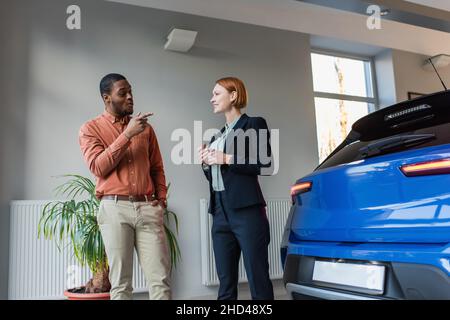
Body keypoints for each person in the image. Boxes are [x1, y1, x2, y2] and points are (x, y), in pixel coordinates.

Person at [79, 73, 171, 300]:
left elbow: (157, 167)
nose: (130, 97)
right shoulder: (90, 129)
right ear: (106, 98)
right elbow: (98, 167)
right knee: (121, 283)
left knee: (160, 280)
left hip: (148, 209)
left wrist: (161, 199)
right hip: (114, 210)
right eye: (123, 93)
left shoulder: (146, 130)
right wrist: (127, 134)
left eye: (131, 91)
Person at [198, 76, 274, 300]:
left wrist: (226, 158)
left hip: (247, 212)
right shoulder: (217, 136)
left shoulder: (253, 124)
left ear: (233, 96)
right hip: (220, 212)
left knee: (257, 278)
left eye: (216, 94)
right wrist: (205, 162)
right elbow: (217, 177)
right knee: (226, 282)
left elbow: (265, 163)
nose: (212, 99)